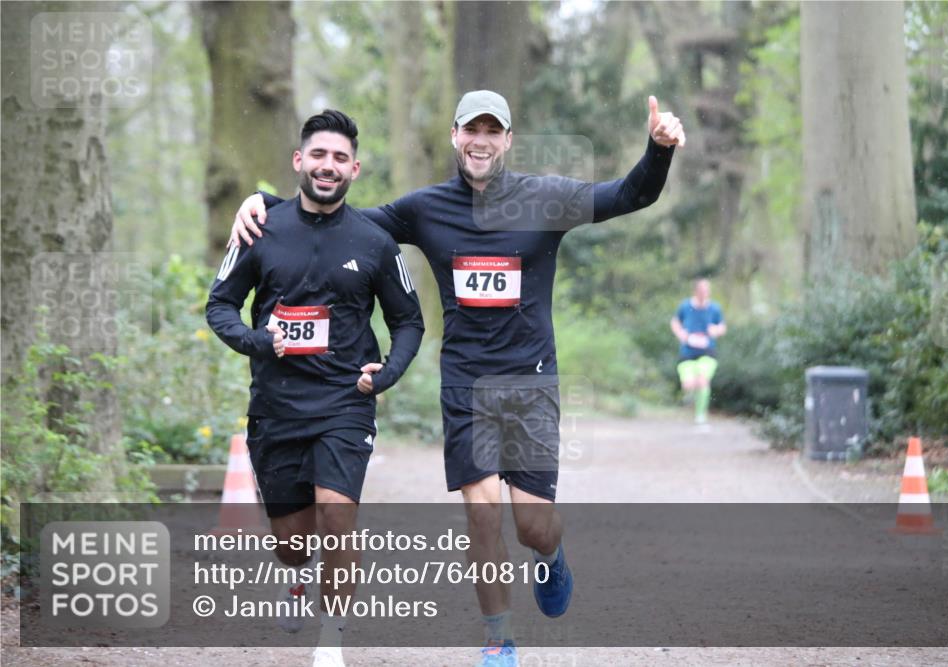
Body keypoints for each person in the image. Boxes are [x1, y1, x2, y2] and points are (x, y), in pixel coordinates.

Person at [229, 90, 684, 666]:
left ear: (508, 140)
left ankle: (550, 554)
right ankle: (499, 641)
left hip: (529, 384)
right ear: (455, 136)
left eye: (493, 131)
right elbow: (338, 220)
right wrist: (266, 203)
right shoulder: (427, 209)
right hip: (465, 384)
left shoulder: (545, 198)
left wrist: (658, 150)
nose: (481, 141)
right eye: (472, 130)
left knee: (533, 526)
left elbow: (628, 194)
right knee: (482, 513)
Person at [206, 109, 424, 667]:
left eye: (340, 158)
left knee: (337, 515)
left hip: (346, 403)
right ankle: (297, 576)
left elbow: (409, 321)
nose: (329, 166)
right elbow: (220, 305)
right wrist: (258, 340)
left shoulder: (375, 242)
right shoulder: (260, 228)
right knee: (292, 544)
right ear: (299, 161)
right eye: (319, 155)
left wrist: (387, 373)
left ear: (355, 169)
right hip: (276, 406)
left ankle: (331, 639)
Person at [670, 278, 726, 425]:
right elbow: (675, 322)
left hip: (707, 351)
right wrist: (681, 334)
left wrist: (716, 330)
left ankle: (701, 415)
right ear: (695, 291)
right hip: (687, 352)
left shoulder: (714, 308)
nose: (705, 293)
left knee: (703, 380)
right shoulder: (685, 306)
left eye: (707, 290)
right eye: (702, 290)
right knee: (688, 385)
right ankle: (691, 400)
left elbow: (722, 327)